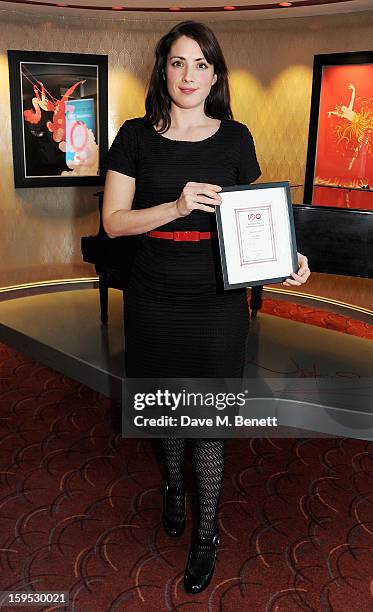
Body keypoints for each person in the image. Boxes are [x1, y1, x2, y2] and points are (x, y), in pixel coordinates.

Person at [102, 21, 311, 594]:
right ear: (162, 70)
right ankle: (173, 487)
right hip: (153, 293)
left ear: (215, 74)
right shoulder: (135, 136)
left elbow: (259, 217)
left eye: (200, 64)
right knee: (171, 409)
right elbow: (114, 222)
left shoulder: (236, 138)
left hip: (218, 300)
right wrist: (174, 205)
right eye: (177, 62)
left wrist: (286, 257)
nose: (188, 75)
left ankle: (207, 534)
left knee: (210, 420)